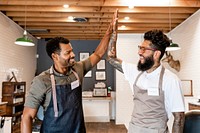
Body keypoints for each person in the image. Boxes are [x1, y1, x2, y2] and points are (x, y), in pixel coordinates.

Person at [21, 10, 118, 133]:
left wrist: (109, 32)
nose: (73, 55)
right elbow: (27, 116)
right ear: (55, 56)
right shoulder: (41, 81)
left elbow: (98, 54)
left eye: (71, 50)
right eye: (67, 53)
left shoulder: (78, 69)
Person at [107, 29, 185, 133]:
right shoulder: (135, 72)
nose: (139, 52)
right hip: (134, 129)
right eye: (140, 48)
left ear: (156, 54)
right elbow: (111, 59)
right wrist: (113, 35)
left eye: (144, 49)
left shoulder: (171, 80)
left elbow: (179, 118)